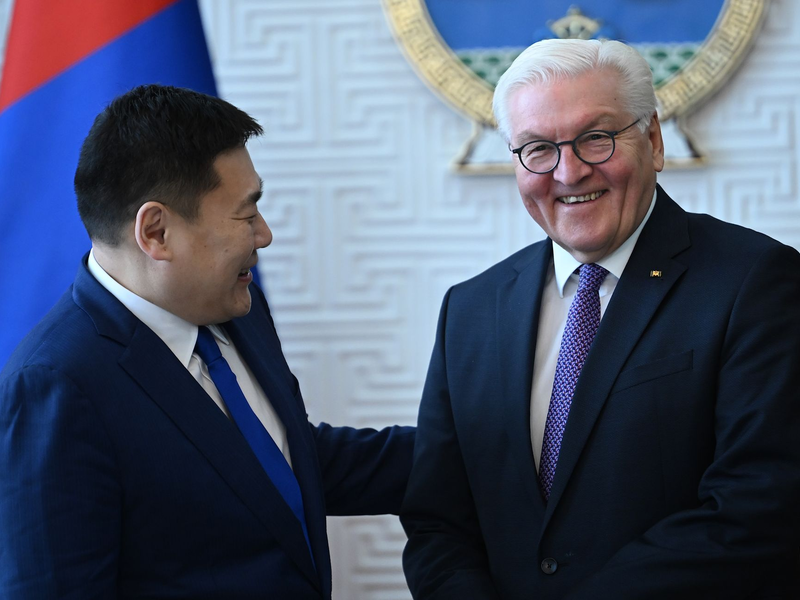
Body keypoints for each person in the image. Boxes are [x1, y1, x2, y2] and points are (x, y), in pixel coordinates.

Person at [401, 38, 800, 599]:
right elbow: (438, 519)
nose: (568, 173)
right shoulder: (469, 310)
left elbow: (758, 507)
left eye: (596, 138)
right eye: (538, 148)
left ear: (653, 140)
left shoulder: (756, 282)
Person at [0, 84, 414, 599]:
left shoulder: (238, 305)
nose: (264, 235)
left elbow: (281, 463)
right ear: (156, 232)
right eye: (246, 214)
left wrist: (479, 446)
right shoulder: (54, 385)